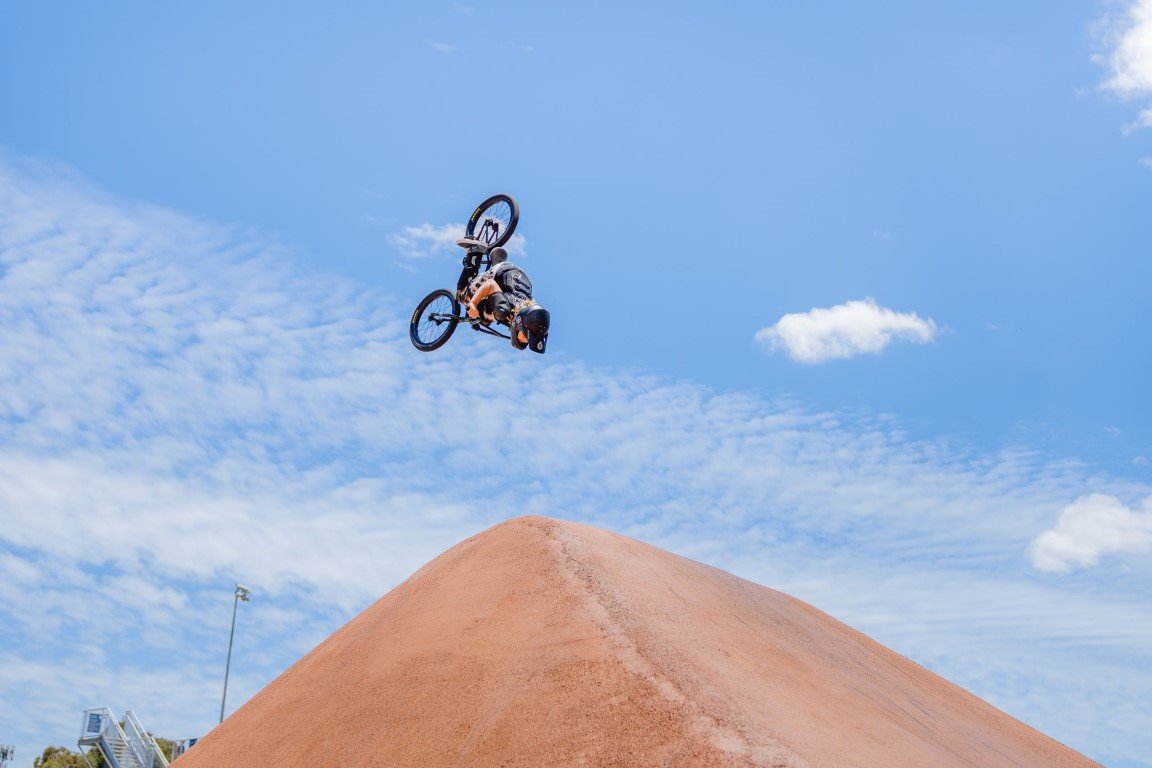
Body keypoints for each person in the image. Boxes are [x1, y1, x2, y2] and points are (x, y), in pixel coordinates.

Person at [456, 238, 550, 353]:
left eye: (526, 342)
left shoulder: (525, 313)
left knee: (489, 315)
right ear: (522, 326)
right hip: (500, 273)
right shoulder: (504, 310)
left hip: (518, 276)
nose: (525, 341)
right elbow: (490, 284)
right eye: (526, 338)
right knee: (463, 294)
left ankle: (498, 258)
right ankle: (475, 251)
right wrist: (473, 303)